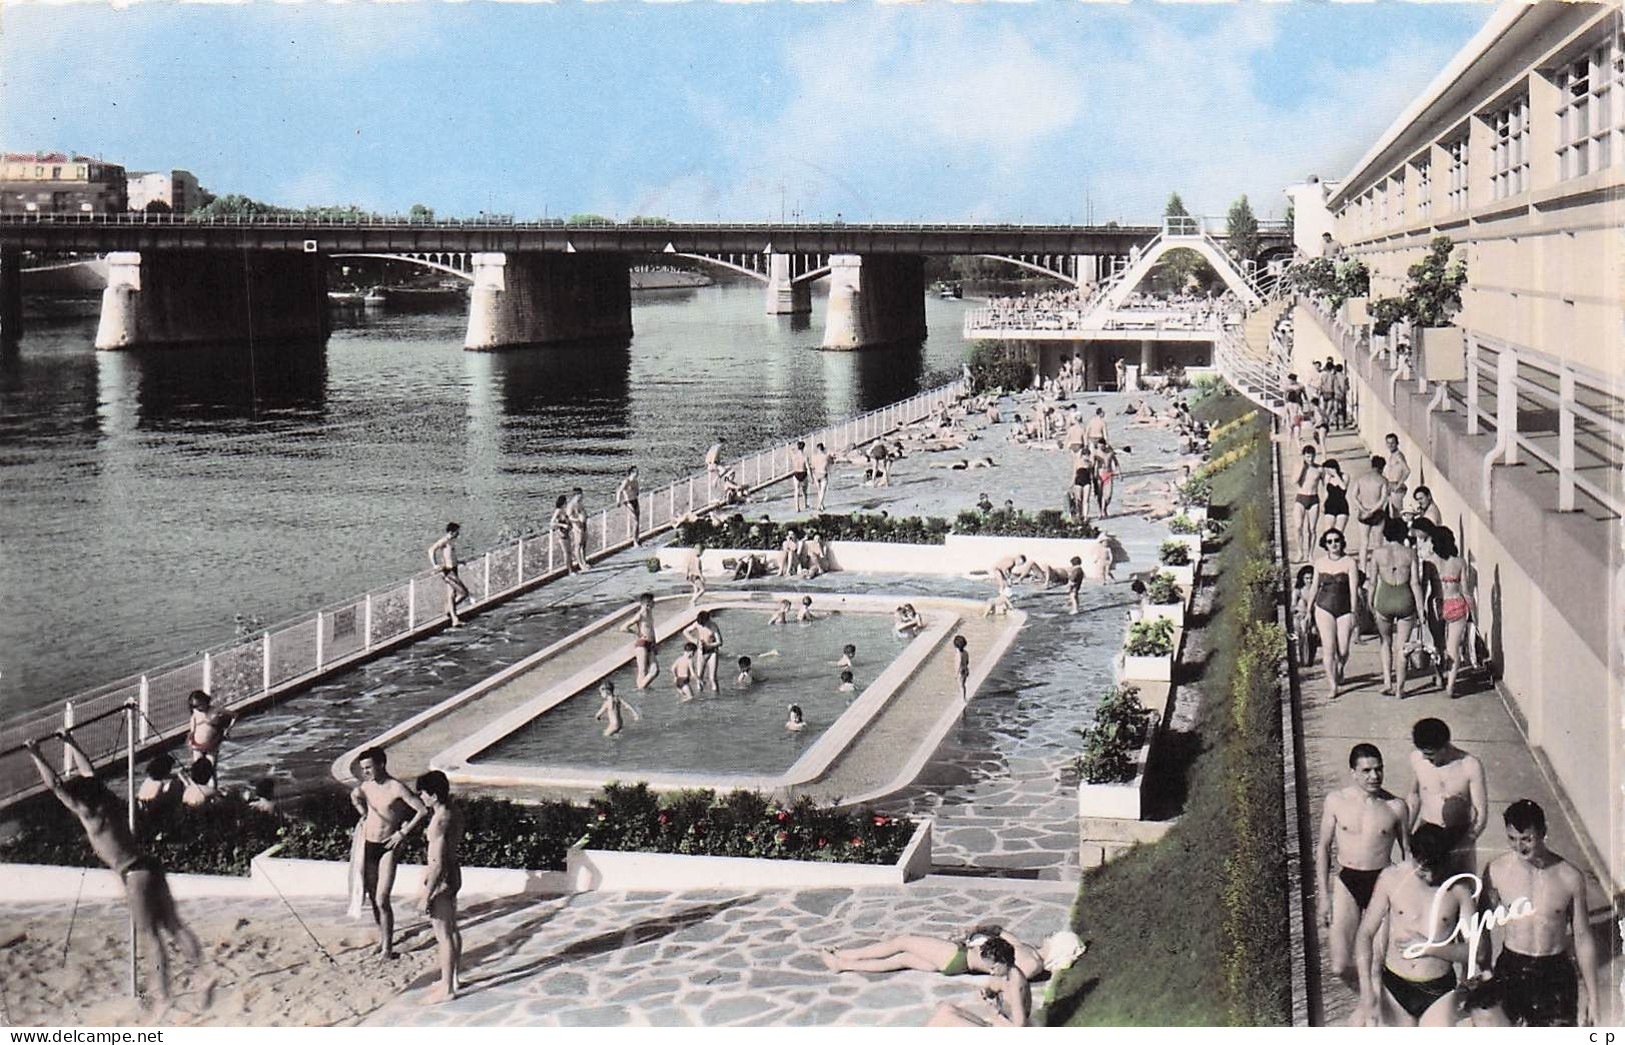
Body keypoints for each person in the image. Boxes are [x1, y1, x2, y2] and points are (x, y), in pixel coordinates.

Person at [23, 734, 208, 1012]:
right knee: (173, 925)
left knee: (151, 936)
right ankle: (203, 975)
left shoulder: (88, 814)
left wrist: (36, 754)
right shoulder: (108, 802)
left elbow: (55, 785)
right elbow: (89, 773)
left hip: (134, 874)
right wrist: (71, 742)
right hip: (150, 865)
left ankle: (164, 996)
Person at [1481, 799, 1599, 1026]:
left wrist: (1593, 998)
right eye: (1512, 839)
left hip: (1554, 971)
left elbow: (1583, 938)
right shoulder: (1496, 871)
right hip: (1511, 968)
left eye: (1527, 839)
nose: (1520, 847)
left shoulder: (1570, 877)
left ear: (1543, 832)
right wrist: (1484, 969)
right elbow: (1481, 926)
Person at [1353, 824, 1473, 1027]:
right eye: (1424, 871)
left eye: (1436, 869)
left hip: (1439, 989)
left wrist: (1431, 948)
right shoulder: (1391, 878)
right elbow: (1365, 934)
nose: (1432, 877)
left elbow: (1474, 951)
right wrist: (1367, 993)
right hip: (1395, 985)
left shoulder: (1460, 890)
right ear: (1412, 856)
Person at [1315, 743, 1411, 985]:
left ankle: (1373, 1011)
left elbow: (1408, 854)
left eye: (1378, 769)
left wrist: (1409, 896)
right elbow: (1323, 848)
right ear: (1353, 772)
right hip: (1347, 881)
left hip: (1382, 882)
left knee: (1377, 966)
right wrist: (1324, 897)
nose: (1374, 776)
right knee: (1339, 966)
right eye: (1367, 770)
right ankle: (1366, 1000)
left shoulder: (1396, 806)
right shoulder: (1336, 801)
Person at [351, 747, 429, 959]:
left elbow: (422, 810)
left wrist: (402, 833)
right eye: (363, 769)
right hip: (368, 844)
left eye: (368, 767)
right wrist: (363, 813)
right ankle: (383, 938)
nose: (365, 772)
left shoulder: (396, 787)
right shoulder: (365, 786)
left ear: (381, 764)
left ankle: (388, 949)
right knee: (372, 896)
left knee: (382, 898)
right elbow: (355, 796)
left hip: (388, 847)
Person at [1405, 717, 1488, 877]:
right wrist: (1407, 831)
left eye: (1430, 754)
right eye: (1423, 753)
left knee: (1462, 888)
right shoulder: (1417, 759)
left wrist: (1464, 846)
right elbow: (1414, 795)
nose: (1425, 758)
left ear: (1445, 746)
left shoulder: (1470, 765)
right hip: (1426, 835)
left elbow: (1481, 814)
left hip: (1458, 835)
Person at [411, 770, 464, 1004]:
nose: (420, 797)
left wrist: (426, 894)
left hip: (442, 878)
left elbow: (436, 864)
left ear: (432, 795)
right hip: (454, 873)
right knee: (452, 929)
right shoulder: (453, 812)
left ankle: (447, 988)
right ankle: (452, 978)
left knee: (444, 935)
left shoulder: (439, 821)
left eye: (421, 793)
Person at [1369, 518, 1430, 698]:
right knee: (1402, 647)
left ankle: (1387, 681)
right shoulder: (1410, 553)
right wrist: (1420, 610)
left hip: (1385, 598)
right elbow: (1415, 584)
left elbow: (1372, 583)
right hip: (1405, 598)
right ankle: (1400, 689)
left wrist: (1370, 604)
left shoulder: (1378, 553)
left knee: (1385, 642)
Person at [924, 935, 1030, 1028]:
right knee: (946, 1009)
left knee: (949, 1019)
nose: (991, 972)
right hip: (996, 1025)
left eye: (993, 968)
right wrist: (988, 993)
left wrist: (995, 1015)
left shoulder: (1016, 986)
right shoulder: (1008, 974)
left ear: (1003, 962)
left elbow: (1019, 1028)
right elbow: (995, 987)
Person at [1305, 528, 1359, 700]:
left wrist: (1354, 611)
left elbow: (1353, 590)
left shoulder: (1350, 562)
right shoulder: (1319, 563)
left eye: (1336, 540)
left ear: (1342, 541)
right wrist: (1308, 610)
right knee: (1328, 648)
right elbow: (1314, 587)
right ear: (1325, 545)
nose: (1333, 544)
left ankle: (1340, 668)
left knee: (1342, 649)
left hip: (1344, 608)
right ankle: (1333, 685)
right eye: (1329, 541)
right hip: (1324, 607)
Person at [1428, 525, 1477, 698]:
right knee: (1453, 648)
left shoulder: (1431, 561)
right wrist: (1473, 614)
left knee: (1437, 645)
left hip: (1437, 605)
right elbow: (1466, 590)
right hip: (1457, 603)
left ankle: (1439, 676)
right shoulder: (1460, 562)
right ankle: (1450, 685)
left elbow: (1424, 586)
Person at [1349, 456, 1390, 570]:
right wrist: (1372, 511)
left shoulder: (1361, 479)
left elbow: (1353, 496)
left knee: (1364, 542)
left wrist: (1363, 509)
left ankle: (1362, 568)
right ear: (1382, 467)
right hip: (1377, 513)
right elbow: (1383, 499)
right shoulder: (1382, 480)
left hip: (1363, 511)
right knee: (1378, 543)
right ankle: (1377, 568)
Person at [428, 523, 472, 627]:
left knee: (452, 595)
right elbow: (431, 550)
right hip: (448, 571)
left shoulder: (451, 542)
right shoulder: (444, 541)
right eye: (457, 532)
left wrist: (459, 561)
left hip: (454, 569)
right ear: (451, 532)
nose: (458, 534)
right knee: (463, 593)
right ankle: (450, 611)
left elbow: (450, 556)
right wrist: (435, 565)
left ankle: (454, 618)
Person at [186, 690, 236, 776]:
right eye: (194, 706)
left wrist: (228, 729)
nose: (197, 708)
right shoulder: (195, 712)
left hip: (211, 745)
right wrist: (190, 740)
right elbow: (193, 729)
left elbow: (234, 715)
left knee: (211, 770)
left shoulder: (216, 710)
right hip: (197, 745)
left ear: (205, 701)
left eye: (199, 705)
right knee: (196, 770)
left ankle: (212, 787)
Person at [1292, 445, 1324, 554]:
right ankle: (1300, 551)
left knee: (1312, 529)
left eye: (1312, 457)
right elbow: (1294, 481)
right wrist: (1302, 468)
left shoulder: (1319, 469)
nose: (1310, 459)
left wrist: (1324, 501)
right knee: (1298, 527)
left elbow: (1325, 486)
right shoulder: (1298, 466)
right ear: (1304, 456)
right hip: (1301, 497)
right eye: (1308, 457)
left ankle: (1310, 554)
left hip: (1314, 498)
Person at [625, 591, 660, 689]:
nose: (654, 603)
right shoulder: (640, 615)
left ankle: (642, 687)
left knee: (655, 670)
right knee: (643, 670)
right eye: (653, 602)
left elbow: (651, 629)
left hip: (650, 644)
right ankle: (641, 690)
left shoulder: (649, 614)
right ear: (647, 603)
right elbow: (624, 627)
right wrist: (637, 633)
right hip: (642, 644)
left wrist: (655, 644)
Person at [683, 609, 723, 692]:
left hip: (712, 652)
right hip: (702, 651)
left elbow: (720, 642)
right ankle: (700, 697)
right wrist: (695, 641)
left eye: (704, 624)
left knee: (712, 678)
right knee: (699, 677)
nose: (703, 626)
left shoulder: (713, 626)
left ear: (708, 620)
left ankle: (716, 696)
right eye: (702, 624)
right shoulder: (697, 624)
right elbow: (685, 631)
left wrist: (709, 645)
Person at [136, 754, 183, 825]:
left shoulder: (148, 780)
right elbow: (163, 799)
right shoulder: (159, 784)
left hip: (142, 810)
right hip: (152, 814)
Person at [1321, 460, 1350, 536]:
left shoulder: (1345, 476)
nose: (1326, 471)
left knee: (1339, 532)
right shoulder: (1327, 478)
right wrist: (1322, 503)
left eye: (1327, 469)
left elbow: (1343, 488)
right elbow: (1325, 492)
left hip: (1341, 505)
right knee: (1328, 530)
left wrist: (1336, 475)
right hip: (1330, 504)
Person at [615, 467, 642, 546]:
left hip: (635, 500)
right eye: (636, 472)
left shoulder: (635, 481)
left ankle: (637, 537)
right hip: (628, 501)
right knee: (635, 521)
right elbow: (619, 491)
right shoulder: (626, 481)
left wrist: (636, 493)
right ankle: (635, 541)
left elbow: (637, 491)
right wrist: (618, 501)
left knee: (637, 520)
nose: (637, 474)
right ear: (632, 473)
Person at [566, 487, 590, 571]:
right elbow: (569, 517)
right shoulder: (571, 505)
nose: (582, 496)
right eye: (580, 494)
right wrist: (578, 520)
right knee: (578, 545)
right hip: (577, 526)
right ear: (576, 495)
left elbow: (584, 512)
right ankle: (580, 564)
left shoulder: (580, 503)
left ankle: (584, 561)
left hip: (584, 525)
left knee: (584, 544)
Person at [550, 495, 574, 572]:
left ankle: (571, 568)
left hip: (566, 533)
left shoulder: (564, 511)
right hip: (561, 534)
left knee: (569, 552)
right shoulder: (558, 511)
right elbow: (552, 523)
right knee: (566, 552)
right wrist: (563, 525)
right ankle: (569, 569)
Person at [789, 440, 810, 511]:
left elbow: (790, 449)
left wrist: (795, 447)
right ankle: (805, 504)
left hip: (796, 473)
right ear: (804, 447)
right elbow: (808, 467)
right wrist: (812, 477)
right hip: (803, 473)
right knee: (804, 491)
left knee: (796, 491)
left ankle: (797, 507)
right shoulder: (805, 457)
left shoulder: (793, 456)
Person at [810, 442, 832, 511]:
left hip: (816, 474)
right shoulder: (826, 456)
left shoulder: (814, 457)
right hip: (823, 474)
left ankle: (822, 505)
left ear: (817, 449)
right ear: (823, 449)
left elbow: (812, 466)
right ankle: (819, 505)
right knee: (822, 491)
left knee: (819, 491)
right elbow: (830, 463)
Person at [952, 634, 971, 700]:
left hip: (961, 671)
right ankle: (963, 696)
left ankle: (963, 698)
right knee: (963, 684)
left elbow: (958, 663)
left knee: (961, 685)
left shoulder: (958, 654)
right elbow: (967, 661)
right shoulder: (965, 652)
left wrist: (956, 673)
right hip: (965, 670)